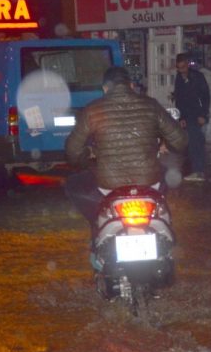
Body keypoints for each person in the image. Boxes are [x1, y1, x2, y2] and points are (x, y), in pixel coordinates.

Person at [64, 66, 187, 231]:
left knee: (73, 184)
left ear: (105, 88)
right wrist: (164, 144)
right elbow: (180, 141)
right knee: (169, 176)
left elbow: (72, 151)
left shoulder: (92, 110)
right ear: (131, 85)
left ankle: (97, 226)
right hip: (148, 182)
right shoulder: (151, 105)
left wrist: (87, 155)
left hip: (109, 185)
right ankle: (163, 224)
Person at [171, 53, 210, 181]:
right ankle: (197, 170)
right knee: (192, 142)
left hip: (197, 114)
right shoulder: (179, 78)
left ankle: (198, 171)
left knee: (196, 142)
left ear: (187, 64)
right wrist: (181, 117)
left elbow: (205, 97)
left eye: (183, 67)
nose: (181, 70)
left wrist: (203, 114)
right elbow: (179, 98)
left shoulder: (197, 77)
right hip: (186, 115)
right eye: (179, 68)